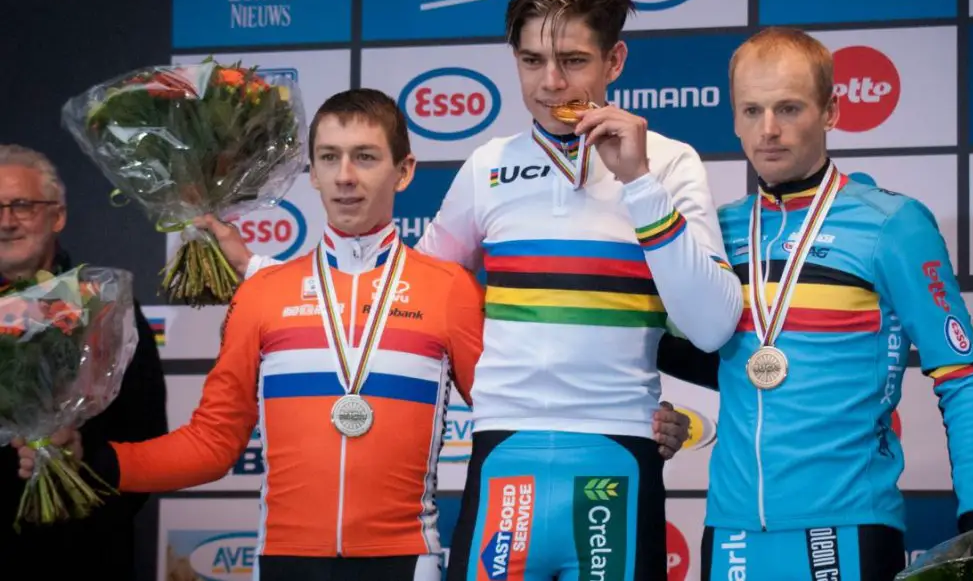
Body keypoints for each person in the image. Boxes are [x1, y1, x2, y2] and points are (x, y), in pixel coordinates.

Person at [17, 89, 690, 581]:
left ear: (403, 172)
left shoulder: (447, 288)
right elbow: (212, 444)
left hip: (408, 561)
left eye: (365, 157)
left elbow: (521, 406)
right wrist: (91, 461)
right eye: (330, 157)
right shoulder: (264, 293)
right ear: (308, 173)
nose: (345, 176)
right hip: (283, 560)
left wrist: (638, 419)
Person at [219, 0, 742, 581]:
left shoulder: (669, 163)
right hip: (504, 451)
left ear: (615, 60)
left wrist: (639, 184)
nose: (550, 83)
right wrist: (262, 271)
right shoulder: (488, 166)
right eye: (530, 61)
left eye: (573, 60)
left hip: (617, 448)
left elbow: (711, 327)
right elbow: (399, 285)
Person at [657, 27, 973, 581]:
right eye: (750, 110)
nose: (767, 130)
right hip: (731, 530)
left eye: (788, 108)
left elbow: (963, 373)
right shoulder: (716, 230)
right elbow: (706, 359)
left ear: (832, 111)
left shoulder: (892, 225)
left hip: (847, 527)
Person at [0, 144, 168, 581]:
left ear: (57, 215)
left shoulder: (107, 309)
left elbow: (146, 439)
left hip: (88, 555)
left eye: (22, 205)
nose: (5, 221)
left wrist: (81, 460)